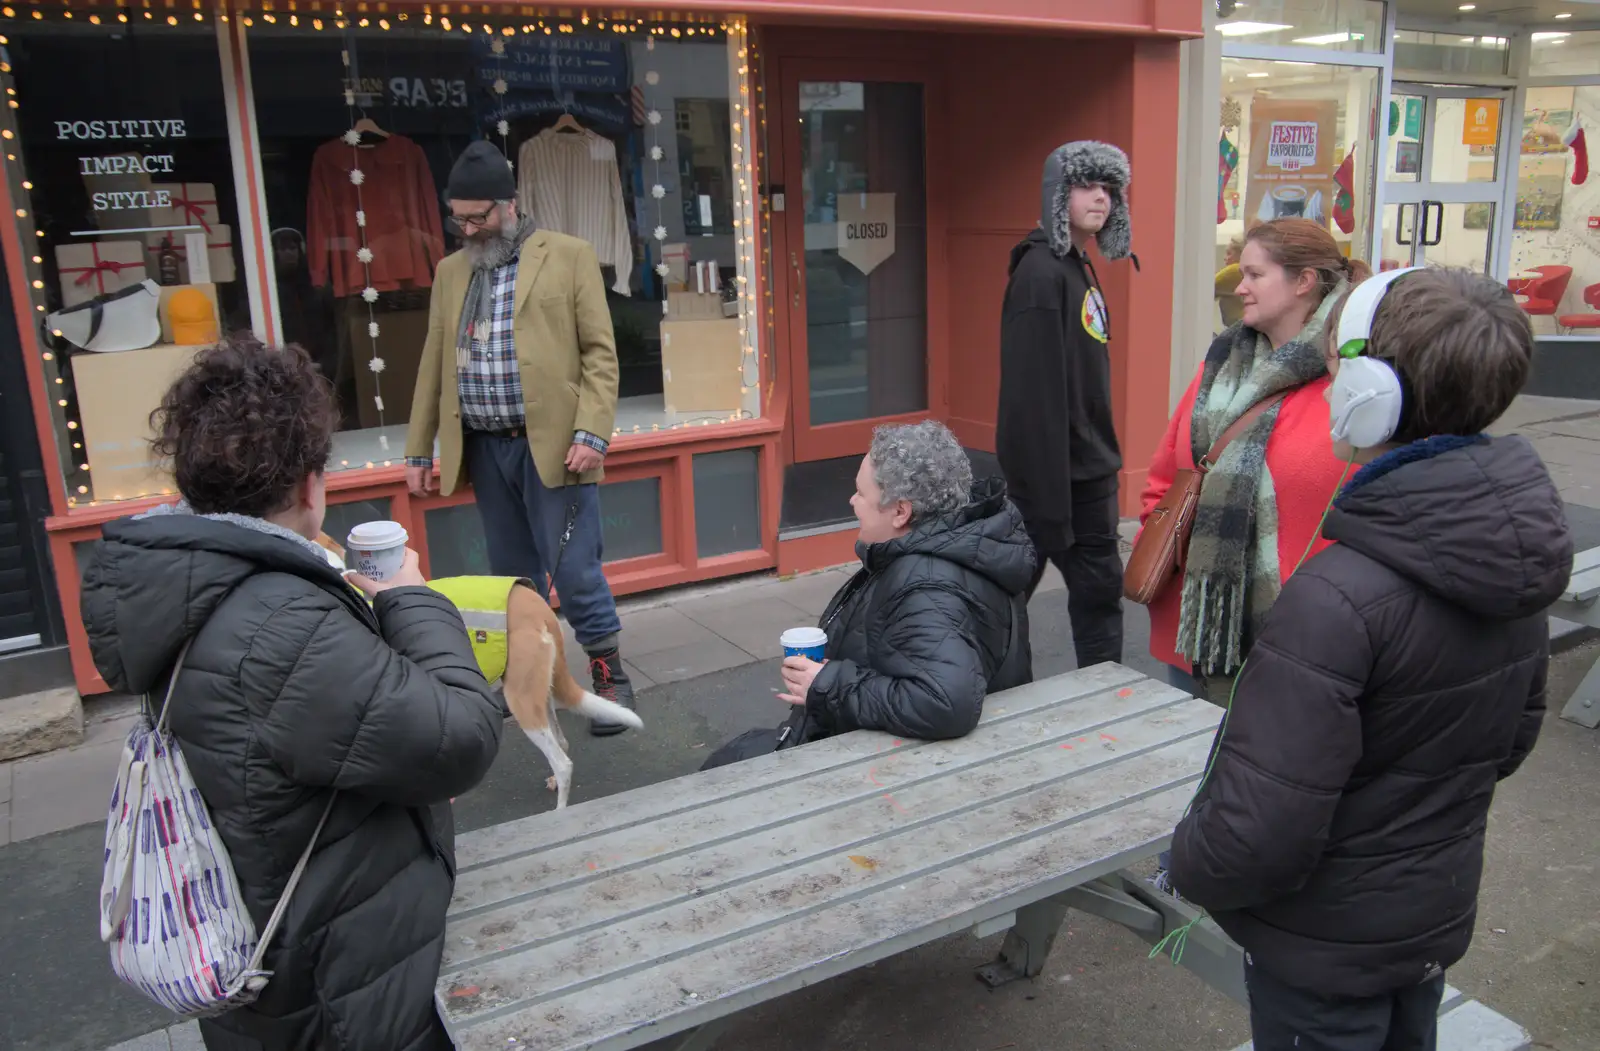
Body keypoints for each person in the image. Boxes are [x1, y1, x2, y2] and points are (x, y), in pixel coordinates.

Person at [1168, 267, 1571, 1051]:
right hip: (1426, 920)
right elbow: (1512, 740)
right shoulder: (1514, 559)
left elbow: (1255, 833)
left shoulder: (1336, 599)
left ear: (1369, 392)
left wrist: (1184, 862)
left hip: (1321, 949)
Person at [80, 337, 504, 1051]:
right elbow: (460, 737)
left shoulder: (191, 579)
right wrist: (411, 599)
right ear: (311, 485)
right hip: (336, 992)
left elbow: (310, 748)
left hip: (261, 945)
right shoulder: (278, 623)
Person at [405, 139, 635, 735]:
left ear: (510, 205)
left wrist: (592, 432)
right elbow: (434, 361)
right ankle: (530, 680)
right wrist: (417, 446)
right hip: (484, 447)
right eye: (459, 219)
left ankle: (610, 674)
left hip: (558, 446)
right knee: (512, 577)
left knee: (577, 568)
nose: (468, 229)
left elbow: (600, 356)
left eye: (477, 217)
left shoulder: (568, 255)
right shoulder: (451, 272)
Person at [703, 421, 1034, 767]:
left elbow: (948, 703)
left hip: (901, 769)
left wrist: (826, 683)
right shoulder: (973, 542)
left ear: (901, 512)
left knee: (717, 775)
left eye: (861, 493)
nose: (852, 501)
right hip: (931, 751)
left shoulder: (926, 584)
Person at [1139, 218, 1367, 702]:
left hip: (1302, 642)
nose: (1239, 287)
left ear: (1304, 281)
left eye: (1255, 275)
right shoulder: (1220, 365)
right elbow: (1165, 476)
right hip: (1193, 630)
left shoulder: (1353, 376)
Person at [996, 139, 1132, 670]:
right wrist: (1045, 499)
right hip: (1054, 482)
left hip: (1091, 471)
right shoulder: (1040, 273)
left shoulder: (1078, 265)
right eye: (1085, 185)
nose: (1100, 198)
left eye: (1108, 188)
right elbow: (1032, 397)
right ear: (1059, 194)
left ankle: (1108, 699)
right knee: (1003, 603)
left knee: (1100, 598)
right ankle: (983, 698)